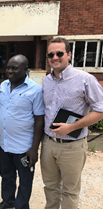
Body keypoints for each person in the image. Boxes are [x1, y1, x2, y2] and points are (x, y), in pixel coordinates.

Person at [41, 37, 103, 209]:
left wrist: (72, 127)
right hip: (48, 144)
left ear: (69, 54)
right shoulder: (46, 81)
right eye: (51, 54)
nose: (55, 57)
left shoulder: (85, 79)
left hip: (73, 146)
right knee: (50, 188)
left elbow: (100, 110)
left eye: (59, 53)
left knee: (70, 191)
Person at [0, 55, 45, 209]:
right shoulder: (3, 86)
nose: (10, 71)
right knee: (6, 176)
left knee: (25, 180)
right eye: (8, 67)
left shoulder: (35, 90)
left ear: (25, 69)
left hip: (24, 146)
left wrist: (34, 148)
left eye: (14, 68)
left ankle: (21, 206)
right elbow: (1, 110)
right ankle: (8, 201)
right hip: (5, 144)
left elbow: (39, 120)